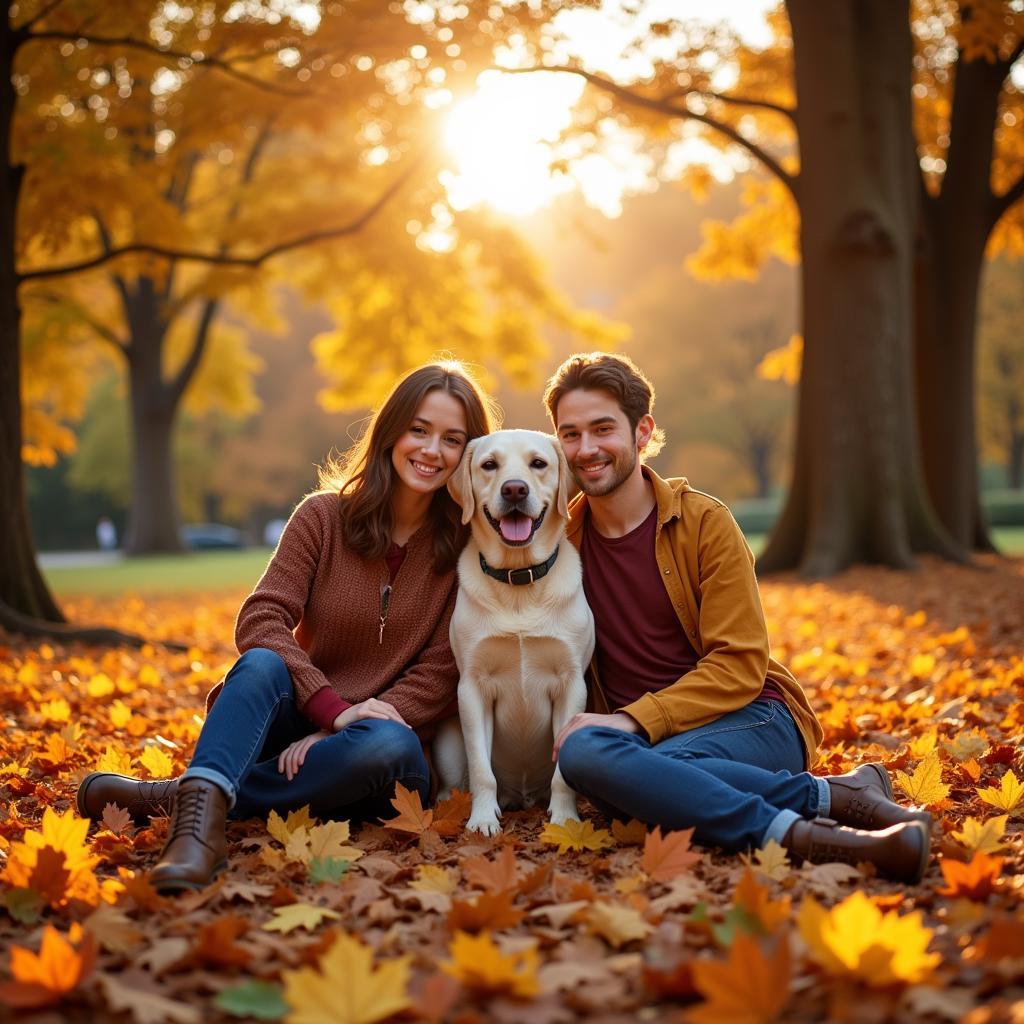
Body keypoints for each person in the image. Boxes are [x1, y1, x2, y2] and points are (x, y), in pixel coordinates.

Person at [77, 362, 499, 892]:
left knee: (386, 745)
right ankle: (195, 841)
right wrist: (331, 709)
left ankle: (184, 797)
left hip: (382, 751)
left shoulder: (468, 549)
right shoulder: (322, 518)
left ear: (470, 454)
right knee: (260, 662)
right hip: (302, 720)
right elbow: (262, 619)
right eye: (419, 429)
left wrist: (340, 730)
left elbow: (441, 673)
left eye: (452, 439)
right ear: (392, 432)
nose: (432, 450)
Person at [544, 352, 932, 884]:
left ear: (642, 431)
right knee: (600, 761)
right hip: (640, 744)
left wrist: (632, 721)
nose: (586, 449)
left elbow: (740, 663)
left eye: (603, 429)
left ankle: (805, 838)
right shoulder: (557, 543)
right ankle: (829, 799)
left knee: (621, 776)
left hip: (753, 719)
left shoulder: (703, 522)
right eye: (570, 434)